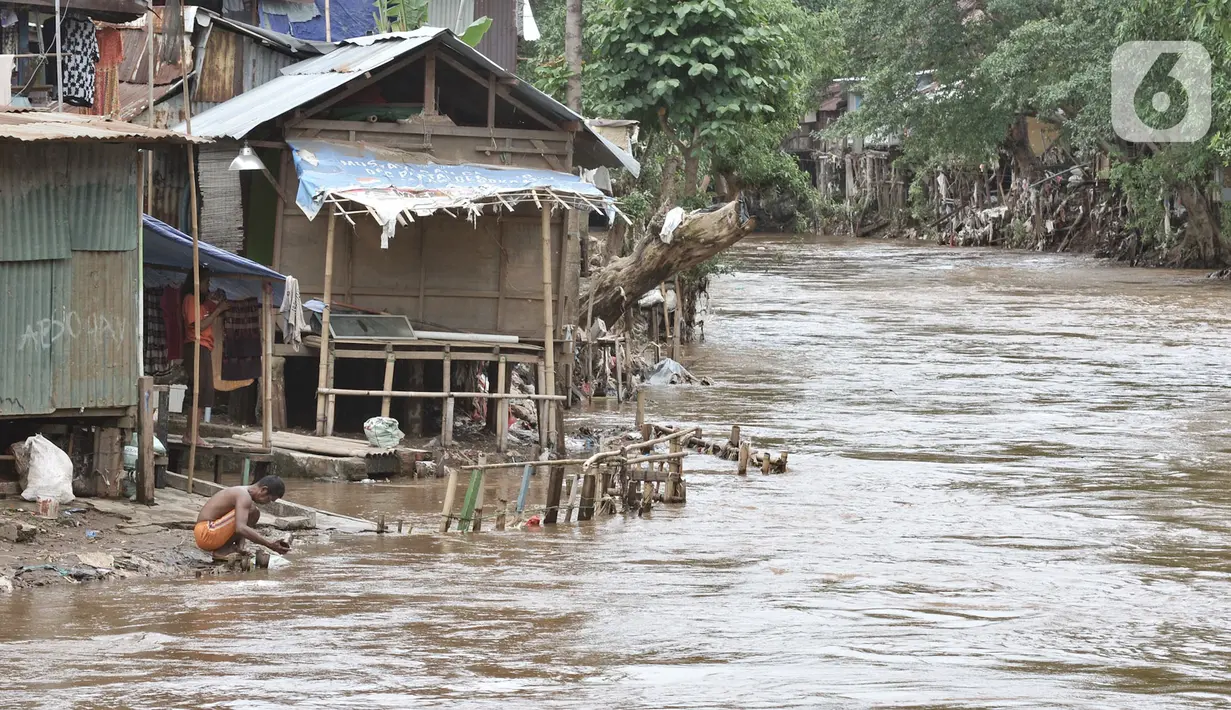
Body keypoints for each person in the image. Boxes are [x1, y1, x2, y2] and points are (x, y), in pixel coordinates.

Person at [182, 267, 229, 446]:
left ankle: (193, 433)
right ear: (197, 282)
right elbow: (199, 326)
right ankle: (191, 434)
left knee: (204, 392)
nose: (208, 286)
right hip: (196, 346)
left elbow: (216, 307)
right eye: (206, 282)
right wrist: (218, 311)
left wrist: (219, 306)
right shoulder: (190, 299)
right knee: (198, 391)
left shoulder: (202, 303)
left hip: (204, 347)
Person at [195, 475, 292, 560]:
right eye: (269, 499)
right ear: (263, 490)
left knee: (253, 513)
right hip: (206, 532)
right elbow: (240, 528)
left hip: (209, 532)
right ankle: (221, 551)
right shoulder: (243, 495)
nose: (267, 503)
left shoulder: (244, 493)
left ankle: (230, 548)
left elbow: (241, 524)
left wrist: (241, 547)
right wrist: (269, 544)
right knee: (252, 511)